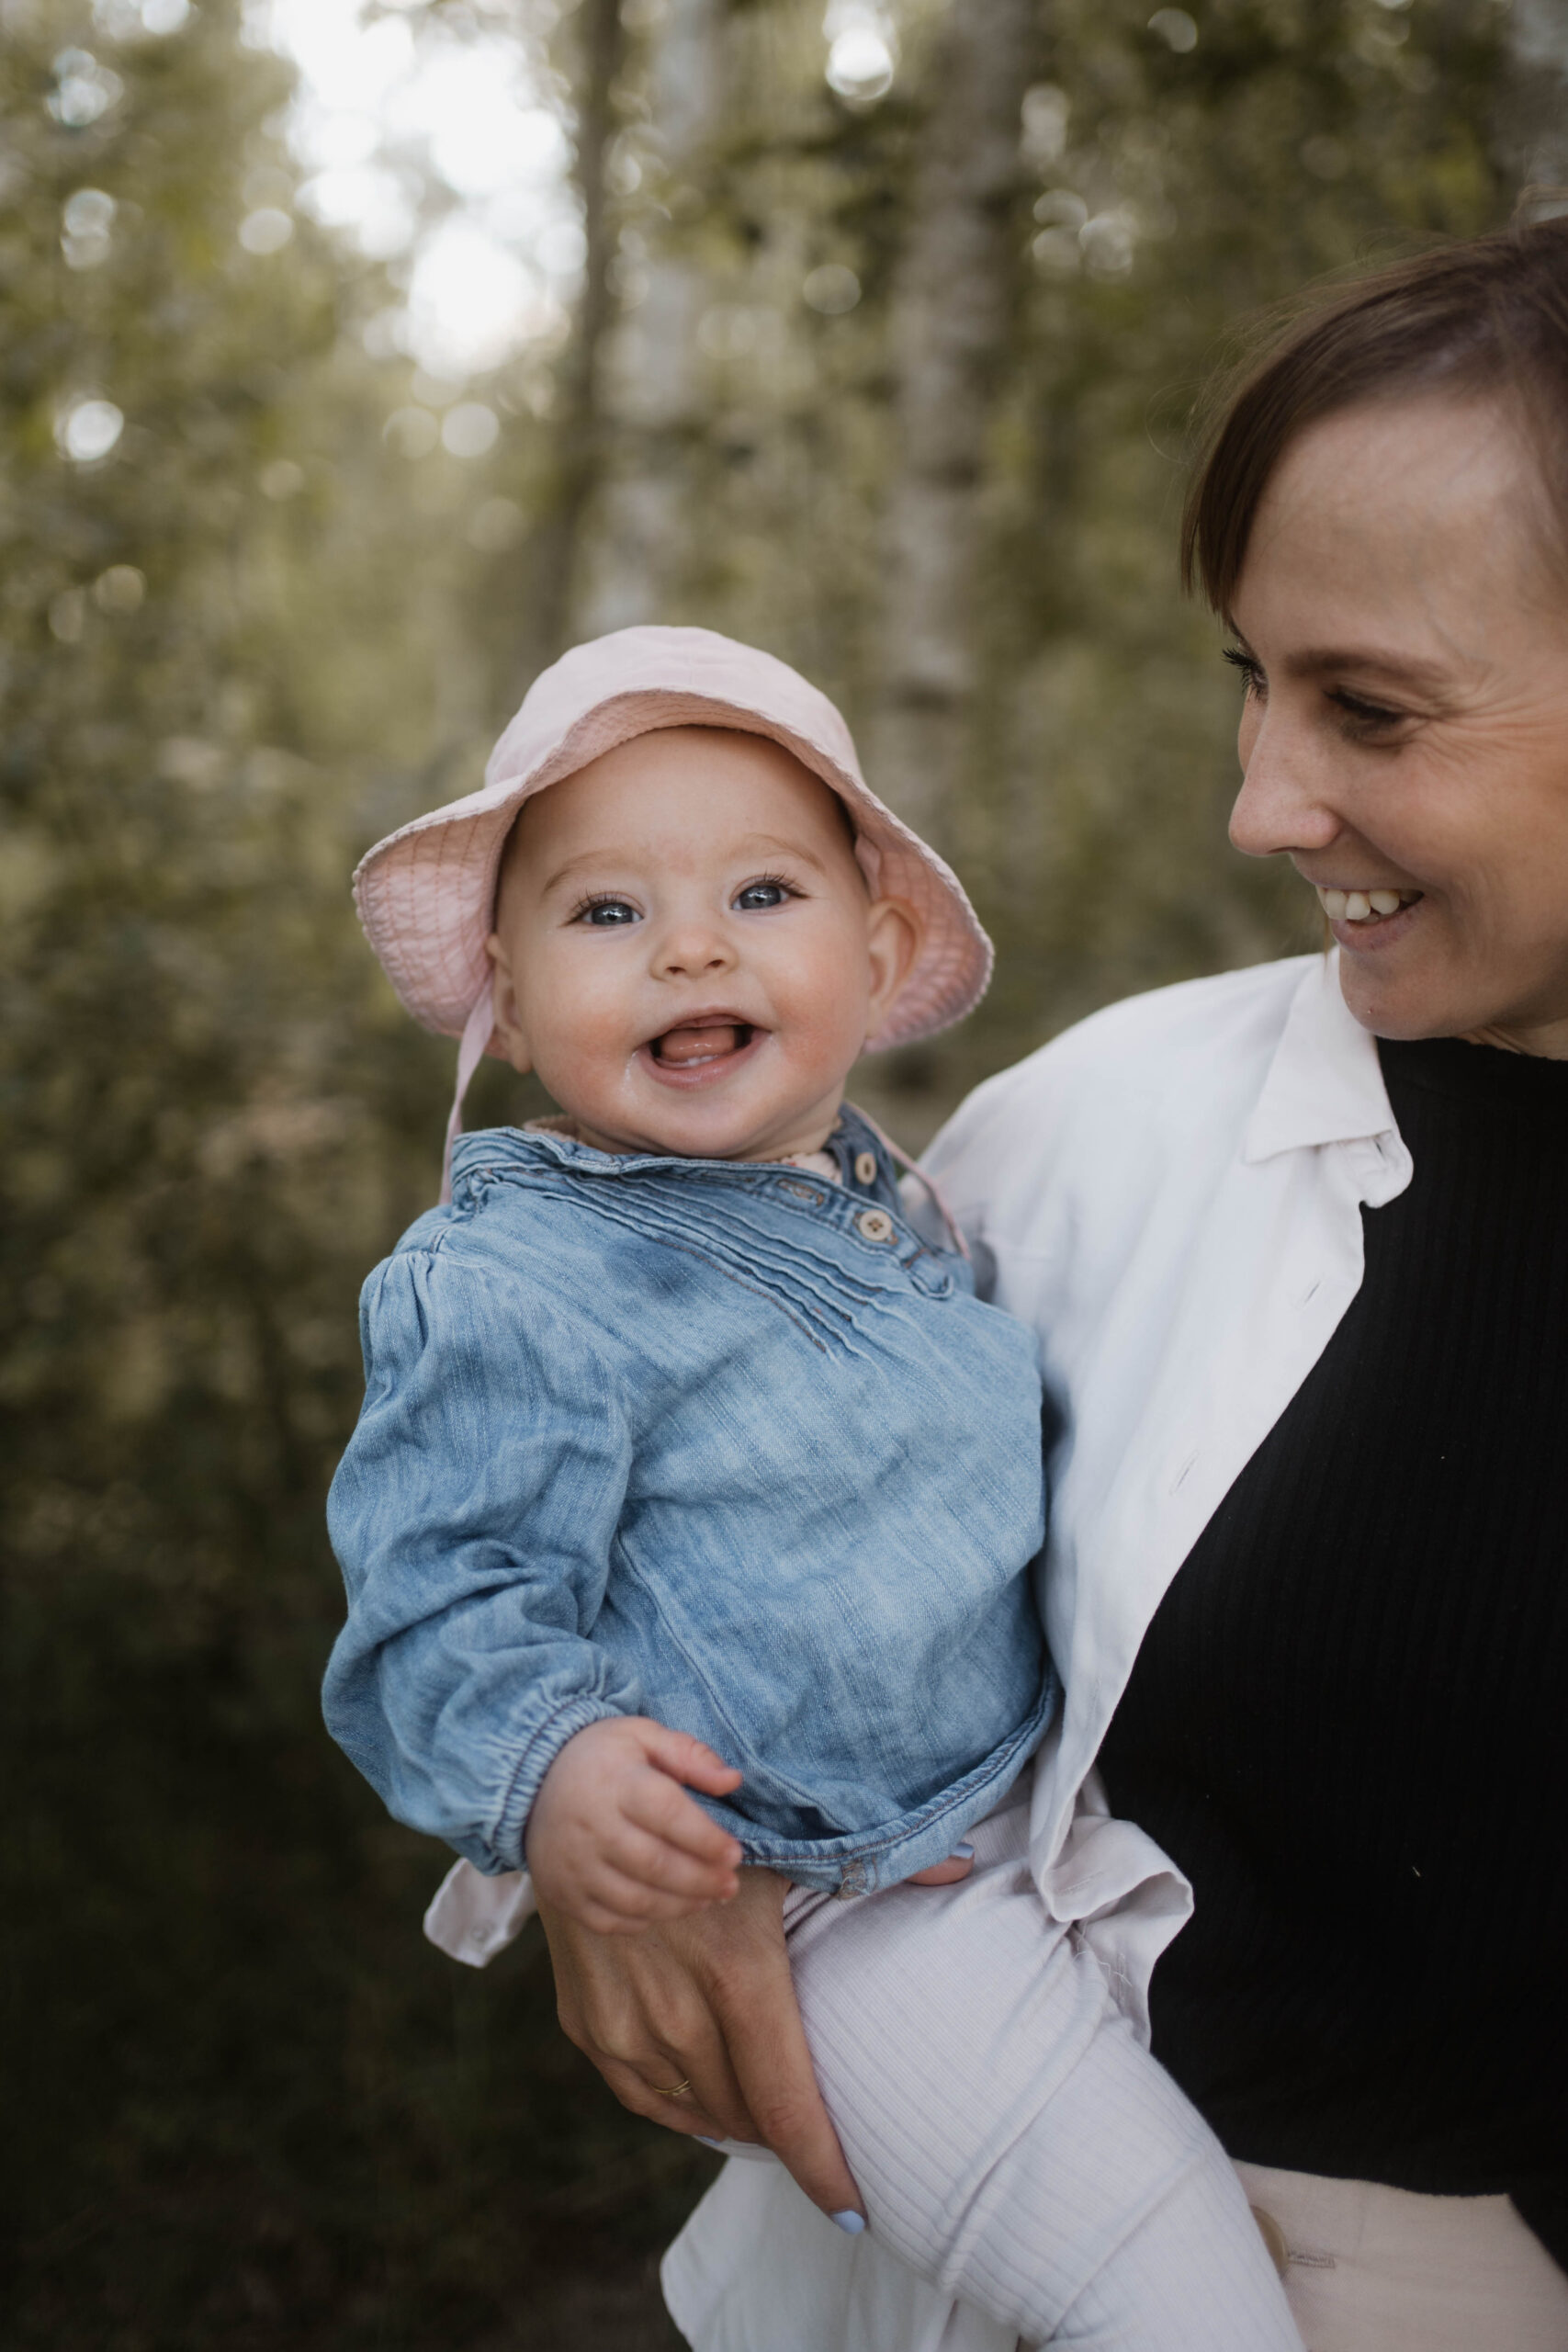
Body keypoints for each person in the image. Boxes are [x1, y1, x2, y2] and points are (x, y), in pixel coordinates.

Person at [530, 220, 1568, 2352]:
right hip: (975, 2248)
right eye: (1250, 683)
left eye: (1366, 706)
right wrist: (597, 1839)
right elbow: (655, 1505)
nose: (1260, 801)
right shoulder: (1099, 1130)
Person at [323, 626, 1302, 2348]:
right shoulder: (520, 1284)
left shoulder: (886, 1194)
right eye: (607, 913)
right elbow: (435, 1600)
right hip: (833, 1915)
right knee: (1175, 2294)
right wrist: (550, 1770)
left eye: (763, 894)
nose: (690, 942)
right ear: (509, 988)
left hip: (1012, 1824)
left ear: (880, 943)